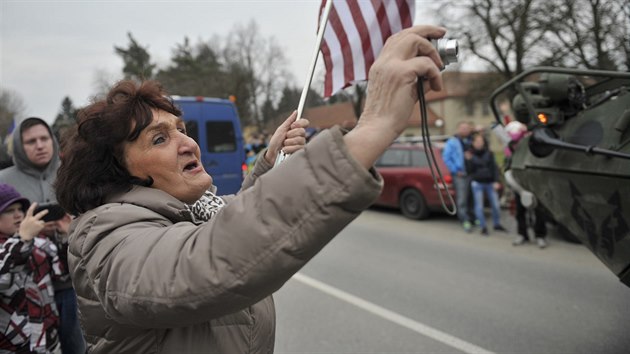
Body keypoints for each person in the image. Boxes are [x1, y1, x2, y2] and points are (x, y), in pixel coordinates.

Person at [54, 24, 447, 353]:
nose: (188, 143)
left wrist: (268, 163)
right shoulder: (104, 237)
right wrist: (372, 126)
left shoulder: (190, 212)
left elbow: (234, 217)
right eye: (159, 139)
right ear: (118, 172)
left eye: (181, 130)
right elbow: (204, 263)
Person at [0, 118, 86, 354]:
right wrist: (25, 232)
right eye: (31, 141)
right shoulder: (4, 181)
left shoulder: (72, 173)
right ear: (19, 146)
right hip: (22, 292)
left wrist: (71, 227)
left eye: (44, 139)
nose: (39, 145)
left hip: (71, 284)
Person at [0, 183, 62, 354]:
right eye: (8, 210)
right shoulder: (23, 241)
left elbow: (62, 276)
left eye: (20, 209)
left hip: (49, 341)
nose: (18, 215)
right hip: (13, 347)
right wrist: (22, 239)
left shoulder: (39, 242)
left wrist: (64, 237)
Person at [504, 121, 548, 248]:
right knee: (520, 212)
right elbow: (507, 170)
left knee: (539, 212)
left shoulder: (532, 148)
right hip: (519, 187)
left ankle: (540, 236)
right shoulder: (510, 154)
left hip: (535, 185)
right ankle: (522, 234)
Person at [465, 133, 507, 236]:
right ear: (473, 143)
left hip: (489, 182)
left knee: (495, 205)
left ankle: (496, 224)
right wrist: (469, 160)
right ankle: (483, 227)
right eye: (477, 141)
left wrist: (496, 181)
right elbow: (469, 170)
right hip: (477, 183)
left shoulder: (488, 153)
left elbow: (494, 168)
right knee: (479, 206)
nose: (479, 143)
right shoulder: (469, 154)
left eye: (481, 141)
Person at [443, 121, 473, 231]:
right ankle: (464, 220)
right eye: (462, 128)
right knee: (462, 199)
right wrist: (456, 170)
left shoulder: (472, 141)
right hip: (460, 175)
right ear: (458, 129)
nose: (465, 130)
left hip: (472, 174)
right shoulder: (452, 142)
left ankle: (472, 218)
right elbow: (446, 158)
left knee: (471, 198)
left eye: (467, 128)